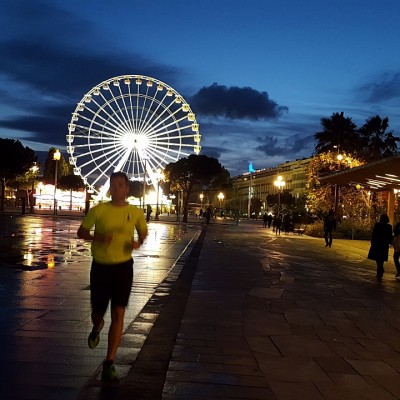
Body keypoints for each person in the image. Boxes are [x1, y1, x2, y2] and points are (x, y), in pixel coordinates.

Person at [77, 171, 148, 383]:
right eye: (113, 185)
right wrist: (97, 237)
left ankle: (109, 362)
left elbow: (143, 232)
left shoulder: (135, 212)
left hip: (124, 268)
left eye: (120, 185)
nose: (116, 188)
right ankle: (97, 326)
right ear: (110, 188)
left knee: (119, 311)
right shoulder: (98, 210)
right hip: (100, 268)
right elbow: (82, 232)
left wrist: (138, 242)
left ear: (126, 189)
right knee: (98, 313)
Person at [368, 214, 393, 280]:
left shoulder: (378, 225)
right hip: (384, 245)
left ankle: (380, 270)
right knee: (381, 258)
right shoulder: (389, 227)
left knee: (377, 257)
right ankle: (380, 269)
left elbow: (374, 233)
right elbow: (390, 236)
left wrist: (372, 241)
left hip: (377, 244)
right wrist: (389, 242)